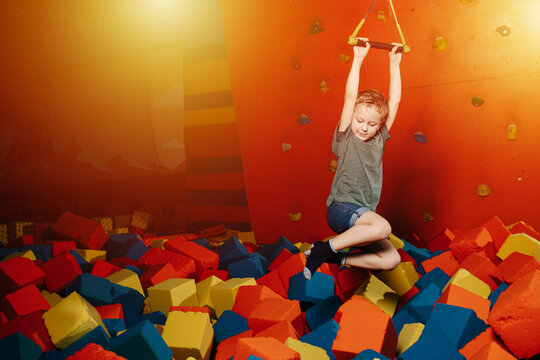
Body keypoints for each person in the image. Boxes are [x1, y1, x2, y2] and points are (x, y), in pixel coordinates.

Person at [303, 38, 402, 280]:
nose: (364, 128)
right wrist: (358, 59)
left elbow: (395, 101)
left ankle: (337, 257)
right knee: (383, 228)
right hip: (341, 207)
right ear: (353, 118)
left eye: (371, 124)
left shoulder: (379, 138)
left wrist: (395, 63)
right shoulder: (347, 135)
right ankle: (323, 248)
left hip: (362, 217)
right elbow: (350, 96)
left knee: (391, 259)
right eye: (360, 121)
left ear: (379, 125)